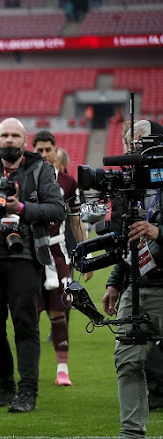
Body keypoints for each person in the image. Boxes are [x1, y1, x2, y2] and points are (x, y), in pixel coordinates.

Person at [0, 118, 65, 413]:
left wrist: (22, 208)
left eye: (15, 135)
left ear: (24, 140)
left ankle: (28, 391)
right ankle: (4, 386)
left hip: (25, 257)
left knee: (26, 325)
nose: (9, 140)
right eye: (4, 135)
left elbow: (58, 209)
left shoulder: (41, 170)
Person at [103, 120, 163, 438]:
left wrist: (158, 231)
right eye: (129, 145)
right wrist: (114, 281)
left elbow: (151, 233)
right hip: (138, 284)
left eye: (139, 144)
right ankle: (131, 433)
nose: (133, 151)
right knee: (127, 358)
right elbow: (125, 242)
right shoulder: (129, 186)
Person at [32, 130, 92, 387]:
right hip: (29, 255)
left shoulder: (68, 183)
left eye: (48, 150)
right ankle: (29, 372)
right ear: (32, 152)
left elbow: (77, 222)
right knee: (28, 319)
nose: (44, 154)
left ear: (56, 152)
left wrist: (87, 254)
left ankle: (62, 369)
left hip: (57, 255)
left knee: (59, 314)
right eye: (39, 150)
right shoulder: (23, 180)